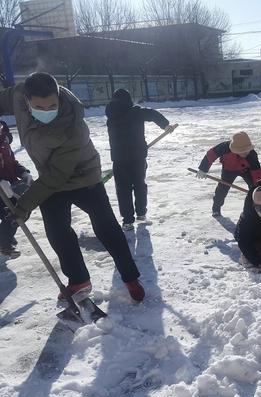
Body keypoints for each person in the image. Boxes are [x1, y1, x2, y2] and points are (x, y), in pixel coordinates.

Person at [0, 72, 145, 302]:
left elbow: (55, 178)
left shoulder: (72, 127)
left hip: (83, 177)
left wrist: (23, 205)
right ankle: (78, 280)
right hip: (50, 177)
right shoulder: (19, 95)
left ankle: (130, 277)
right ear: (27, 100)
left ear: (58, 97)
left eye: (52, 106)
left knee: (106, 227)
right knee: (57, 231)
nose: (47, 111)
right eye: (39, 106)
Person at [106, 88, 174, 230]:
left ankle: (127, 221)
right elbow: (152, 113)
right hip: (137, 157)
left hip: (119, 158)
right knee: (139, 185)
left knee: (123, 189)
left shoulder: (110, 115)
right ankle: (141, 214)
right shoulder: (136, 112)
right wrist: (165, 124)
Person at [197, 131, 261, 217]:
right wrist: (203, 169)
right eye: (243, 151)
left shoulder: (252, 154)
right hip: (229, 169)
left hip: (245, 170)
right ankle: (216, 208)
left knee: (254, 189)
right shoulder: (224, 147)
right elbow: (210, 155)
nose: (246, 153)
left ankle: (255, 207)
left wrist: (257, 184)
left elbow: (256, 171)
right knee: (222, 189)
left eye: (247, 150)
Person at [0, 121, 32, 258]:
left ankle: (4, 237)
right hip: (2, 187)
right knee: (13, 213)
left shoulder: (3, 135)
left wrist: (23, 173)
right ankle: (4, 244)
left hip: (9, 185)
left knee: (19, 211)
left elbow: (11, 162)